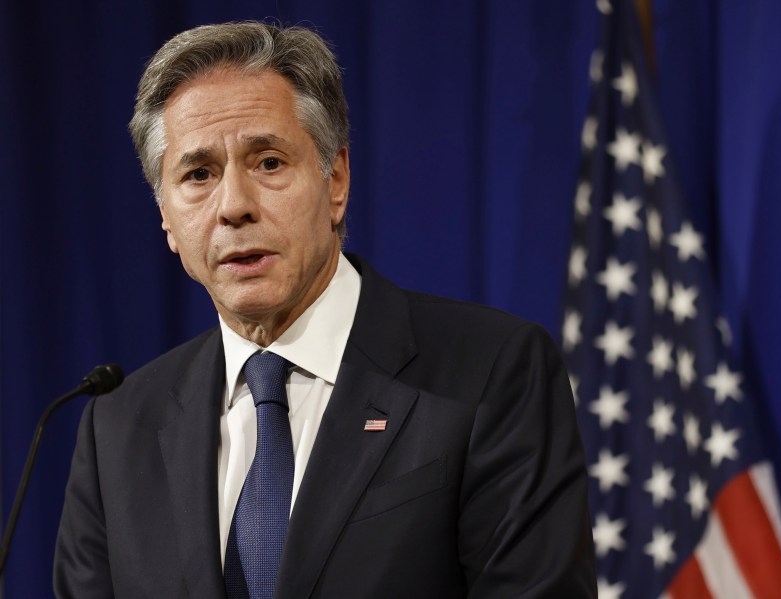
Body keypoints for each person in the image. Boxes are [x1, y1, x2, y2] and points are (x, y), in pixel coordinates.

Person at [54, 21, 595, 598]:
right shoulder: (117, 430)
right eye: (198, 174)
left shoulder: (491, 373)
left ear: (335, 179)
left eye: (268, 162)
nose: (234, 206)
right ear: (166, 217)